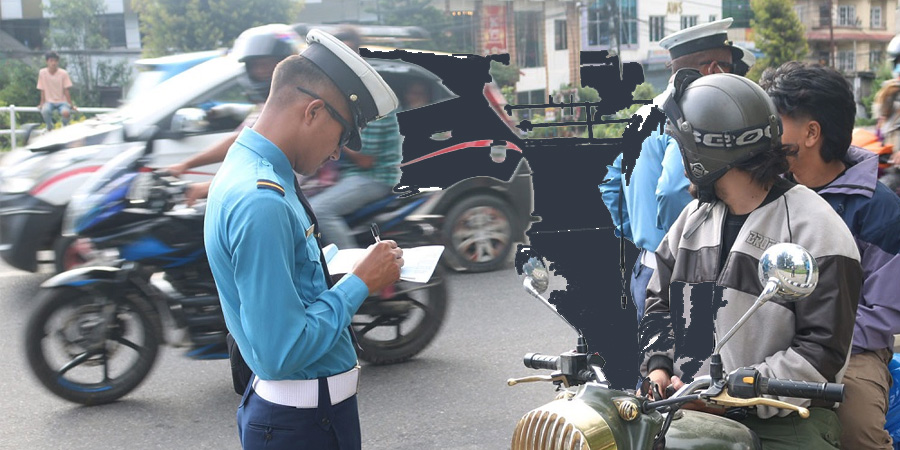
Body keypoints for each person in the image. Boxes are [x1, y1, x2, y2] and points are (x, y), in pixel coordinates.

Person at [641, 70, 862, 449]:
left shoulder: (815, 227)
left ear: (707, 152)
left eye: (682, 147)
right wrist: (659, 367)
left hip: (783, 420)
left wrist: (727, 395)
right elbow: (657, 305)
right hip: (686, 410)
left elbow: (822, 352)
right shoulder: (692, 220)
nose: (678, 159)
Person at [204, 30, 403, 450]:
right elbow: (282, 351)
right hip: (302, 426)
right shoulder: (262, 200)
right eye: (342, 135)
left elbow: (289, 277)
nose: (337, 153)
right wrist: (360, 283)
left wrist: (333, 263)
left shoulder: (254, 169)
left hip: (305, 419)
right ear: (313, 112)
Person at [760, 61, 900, 450]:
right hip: (771, 339)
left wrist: (817, 343)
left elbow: (883, 313)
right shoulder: (765, 191)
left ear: (811, 133)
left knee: (858, 429)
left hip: (852, 352)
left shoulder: (877, 208)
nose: (767, 134)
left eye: (776, 122)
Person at [599, 18, 752, 322]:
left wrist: (645, 235)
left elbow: (611, 187)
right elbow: (673, 191)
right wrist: (682, 253)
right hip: (681, 274)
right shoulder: (690, 114)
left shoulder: (644, 114)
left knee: (653, 350)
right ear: (713, 69)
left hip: (646, 268)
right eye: (729, 68)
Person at [166, 24, 302, 204]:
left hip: (311, 189)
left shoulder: (295, 108)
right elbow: (242, 140)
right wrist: (186, 165)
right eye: (255, 66)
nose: (260, 71)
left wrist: (206, 186)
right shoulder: (269, 106)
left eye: (267, 65)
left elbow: (266, 164)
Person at [307, 26, 404, 251]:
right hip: (348, 175)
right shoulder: (341, 92)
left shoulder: (371, 95)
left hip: (373, 177)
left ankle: (354, 267)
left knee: (319, 210)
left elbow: (365, 161)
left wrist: (330, 136)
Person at [36, 51, 76, 131]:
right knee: (45, 111)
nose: (53, 63)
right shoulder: (42, 73)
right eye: (51, 61)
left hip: (62, 101)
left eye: (55, 61)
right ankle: (49, 127)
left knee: (66, 112)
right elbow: (42, 89)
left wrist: (70, 105)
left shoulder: (63, 73)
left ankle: (64, 127)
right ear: (47, 62)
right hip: (49, 101)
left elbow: (66, 90)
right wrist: (41, 103)